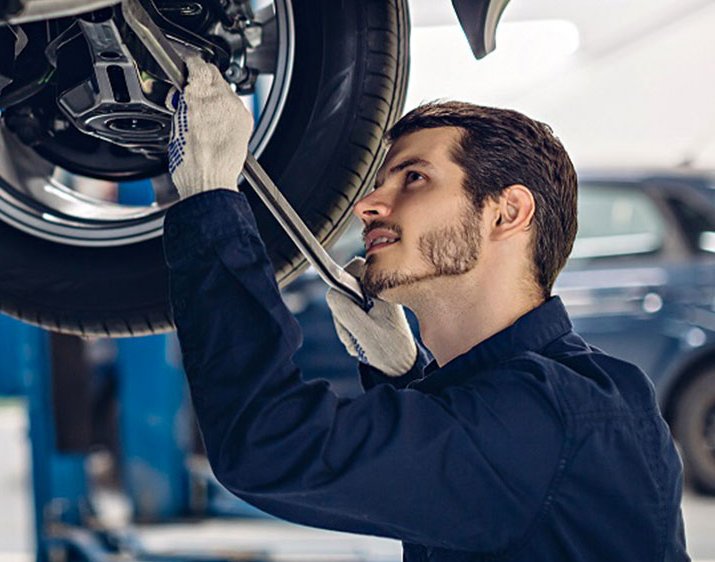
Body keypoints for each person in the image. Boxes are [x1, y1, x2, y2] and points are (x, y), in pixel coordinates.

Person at [163, 57, 687, 561]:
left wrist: (211, 199)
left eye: (413, 178)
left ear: (507, 212)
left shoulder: (548, 418)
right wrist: (403, 374)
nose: (368, 205)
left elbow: (268, 445)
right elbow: (459, 462)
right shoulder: (563, 397)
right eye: (380, 183)